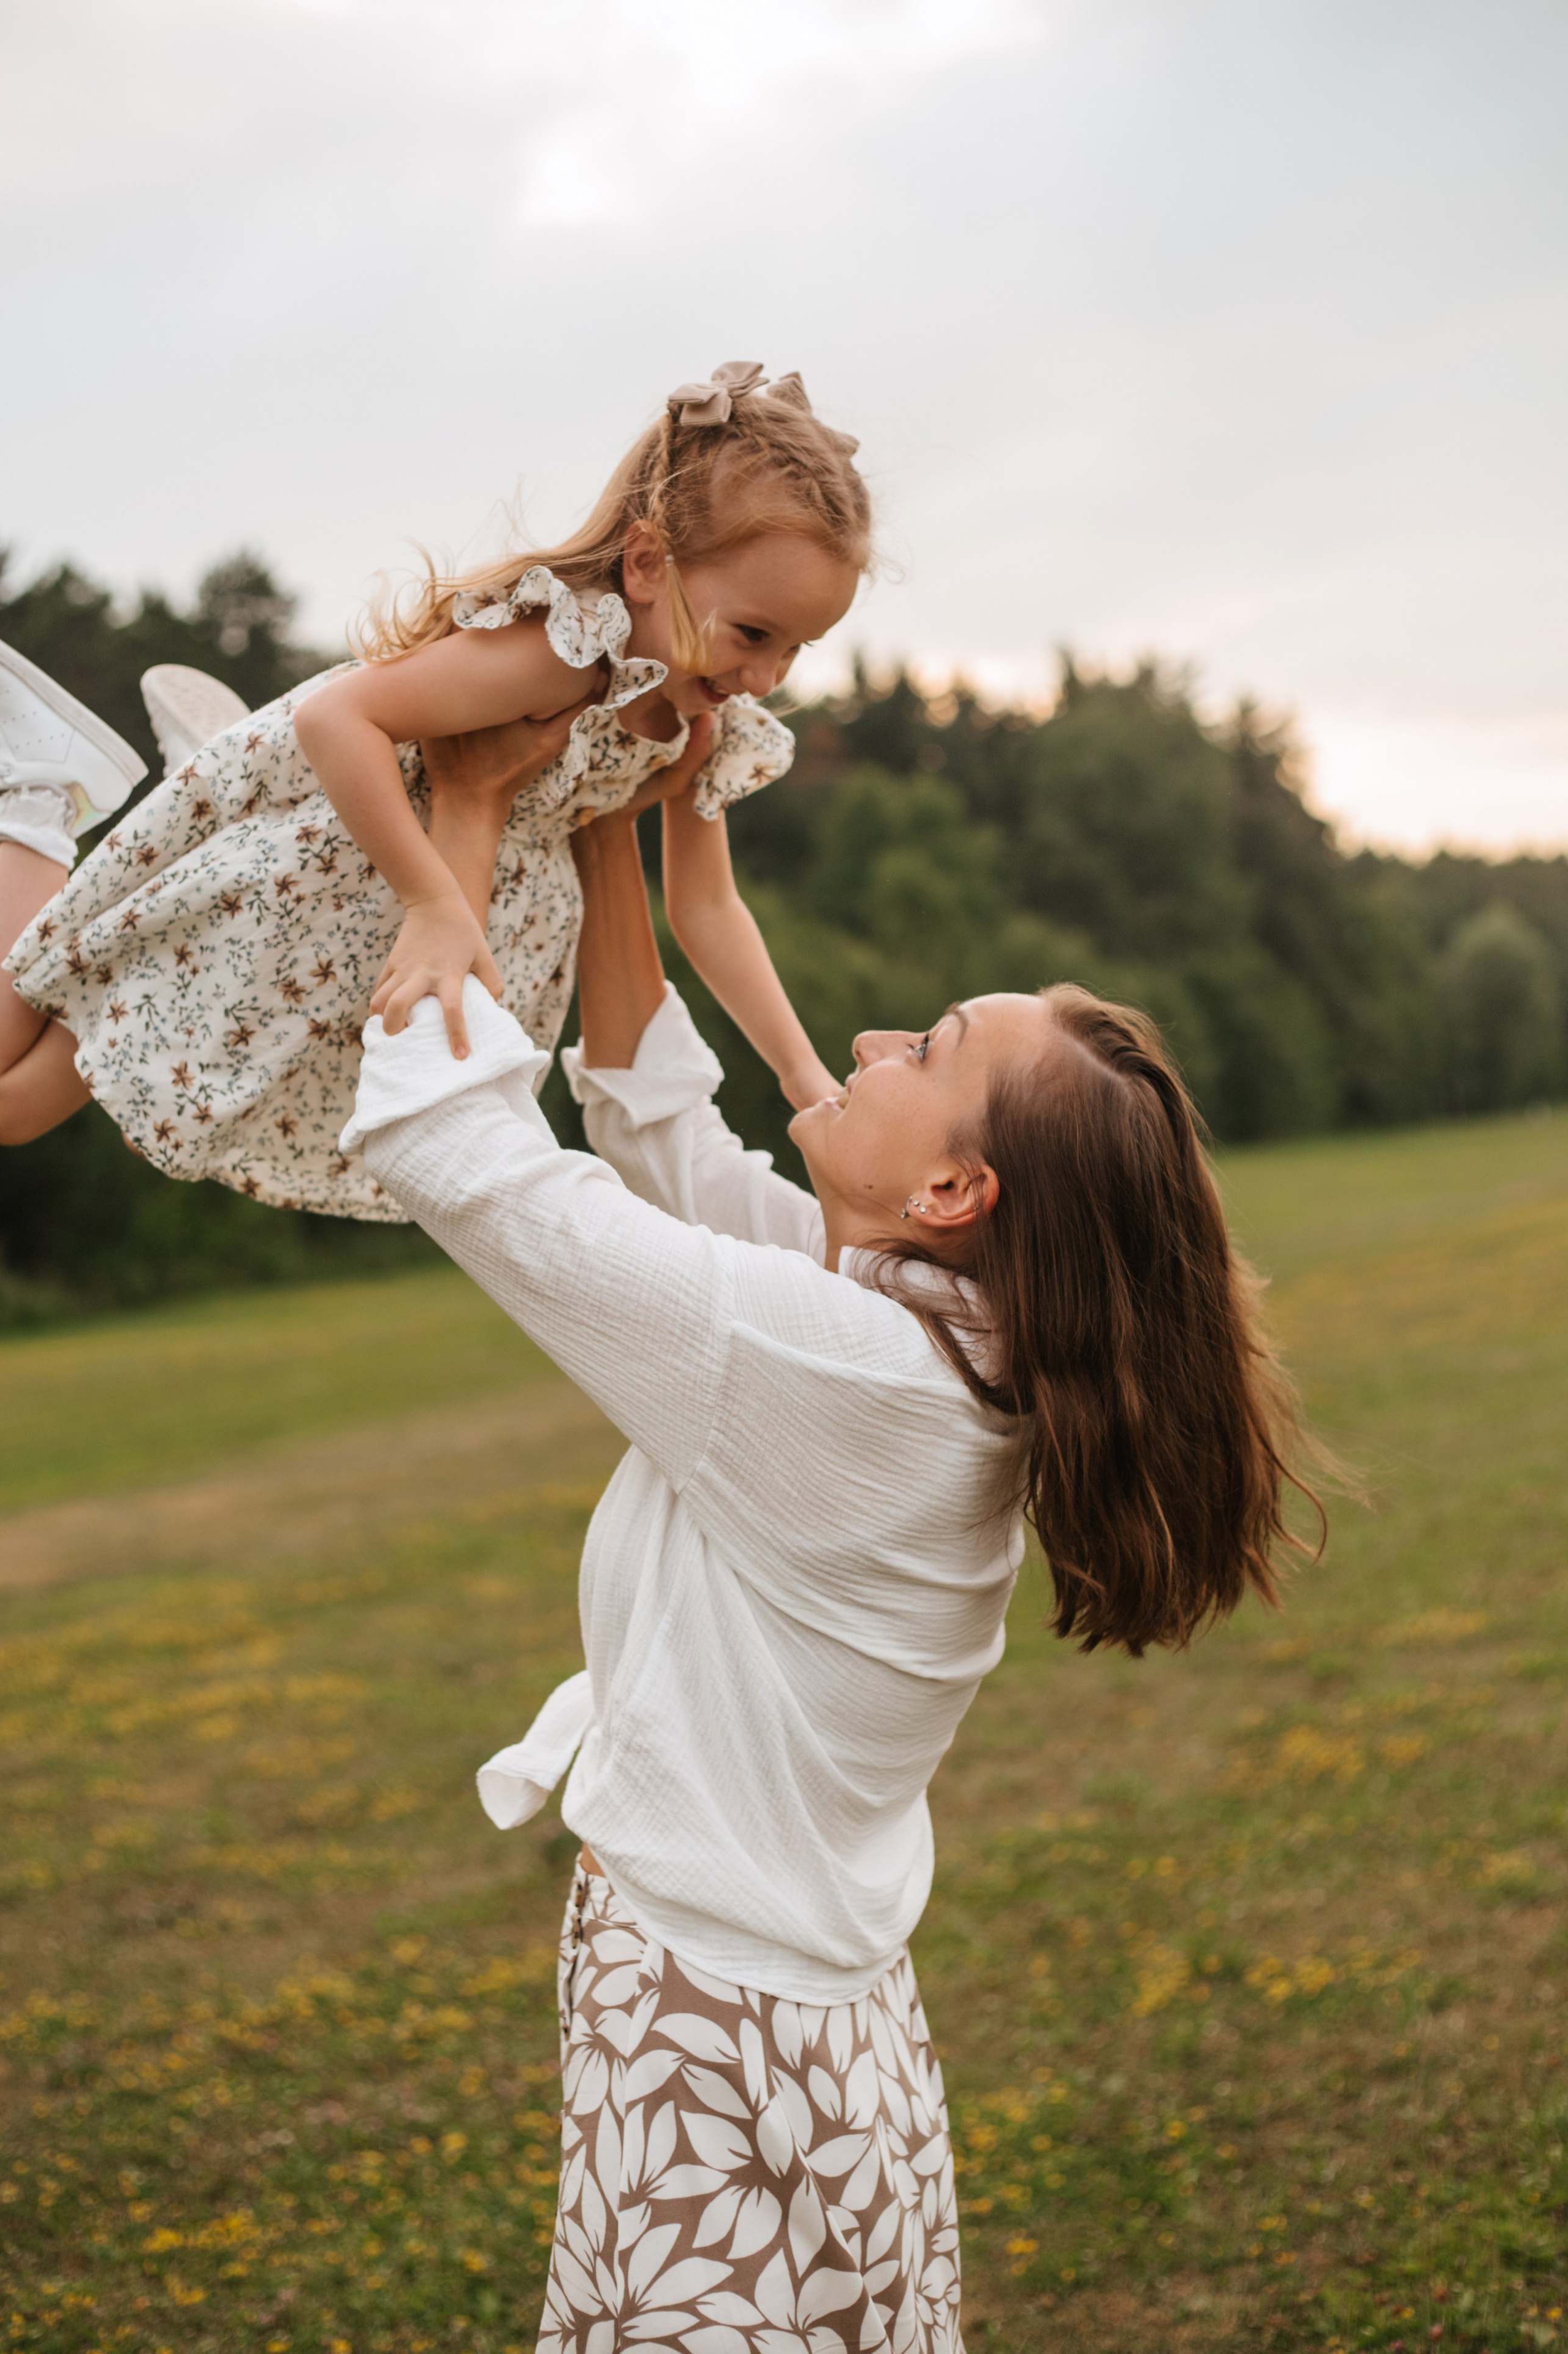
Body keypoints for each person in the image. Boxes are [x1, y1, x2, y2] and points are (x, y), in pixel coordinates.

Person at [340, 721, 1314, 2352]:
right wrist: (604, 812)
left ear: (955, 1193)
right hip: (829, 2020)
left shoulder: (853, 1372)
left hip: (712, 2029)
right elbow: (662, 1138)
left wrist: (456, 838)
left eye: (922, 1049)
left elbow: (479, 1169)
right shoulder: (935, 1337)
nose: (863, 1039)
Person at [0, 362, 866, 1214]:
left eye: (796, 650)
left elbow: (707, 910)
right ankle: (44, 794)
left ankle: (124, 787)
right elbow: (338, 721)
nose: (765, 674)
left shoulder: (696, 717)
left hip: (374, 938)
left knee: (121, 1111)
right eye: (754, 633)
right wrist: (433, 904)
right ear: (646, 564)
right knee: (19, 1101)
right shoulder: (560, 652)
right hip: (328, 885)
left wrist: (800, 1072)